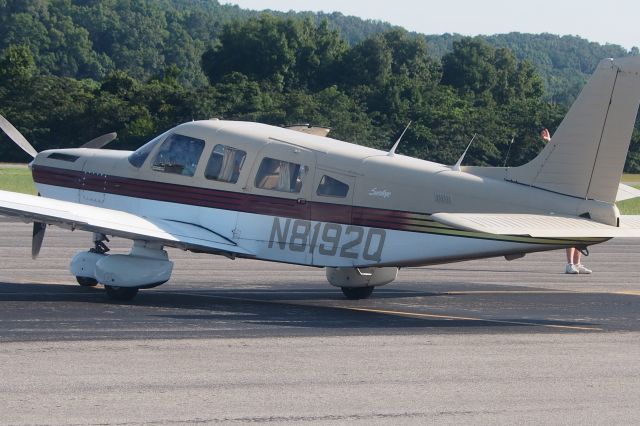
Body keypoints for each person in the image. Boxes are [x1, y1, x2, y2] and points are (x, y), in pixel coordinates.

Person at [540, 128, 592, 275]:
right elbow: (559, 156)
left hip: (583, 199)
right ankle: (569, 264)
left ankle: (578, 263)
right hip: (570, 199)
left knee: (583, 234)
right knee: (571, 233)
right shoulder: (572, 161)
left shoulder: (585, 162)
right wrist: (549, 142)